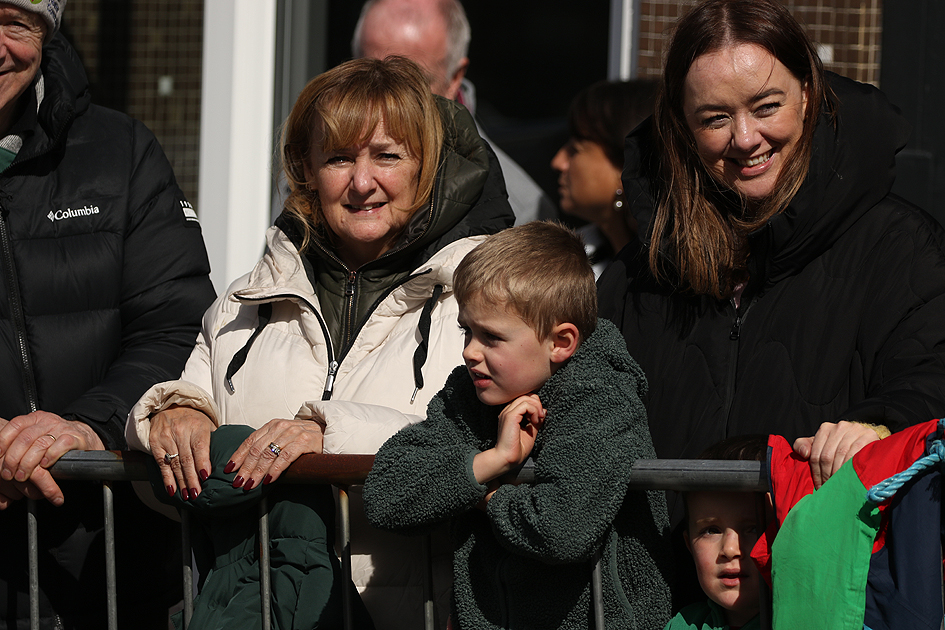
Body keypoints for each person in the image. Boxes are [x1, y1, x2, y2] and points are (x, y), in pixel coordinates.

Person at [126, 56, 514, 629]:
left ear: (427, 167)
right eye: (338, 158)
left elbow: (485, 445)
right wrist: (172, 418)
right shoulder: (246, 301)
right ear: (306, 170)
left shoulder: (484, 302)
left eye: (387, 156)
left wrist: (327, 438)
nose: (361, 182)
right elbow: (160, 481)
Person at [597, 0, 945, 514]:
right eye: (715, 118)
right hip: (668, 566)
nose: (745, 139)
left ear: (807, 94)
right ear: (682, 126)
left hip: (822, 556)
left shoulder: (901, 246)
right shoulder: (641, 271)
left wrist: (879, 425)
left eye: (765, 107)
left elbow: (931, 377)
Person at [0, 1, 216, 627]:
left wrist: (87, 427)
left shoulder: (121, 152)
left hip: (113, 569)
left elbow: (177, 327)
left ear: (47, 31)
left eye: (15, 22)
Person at [363, 221, 674, 630]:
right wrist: (494, 461)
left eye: (491, 337)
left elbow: (561, 529)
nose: (469, 351)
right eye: (467, 331)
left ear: (560, 342)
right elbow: (385, 494)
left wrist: (484, 494)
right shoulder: (466, 396)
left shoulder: (601, 397)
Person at [352, 0, 556, 225]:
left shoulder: (518, 212)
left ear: (455, 77)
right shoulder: (319, 157)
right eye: (370, 75)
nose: (387, 99)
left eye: (413, 83)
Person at [552, 80, 657, 277]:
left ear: (626, 167)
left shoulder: (672, 277)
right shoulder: (566, 263)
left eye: (575, 150)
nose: (558, 162)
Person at [666, 436, 768, 630]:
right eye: (711, 531)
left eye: (753, 528)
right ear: (689, 545)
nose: (730, 550)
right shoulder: (684, 624)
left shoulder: (805, 620)